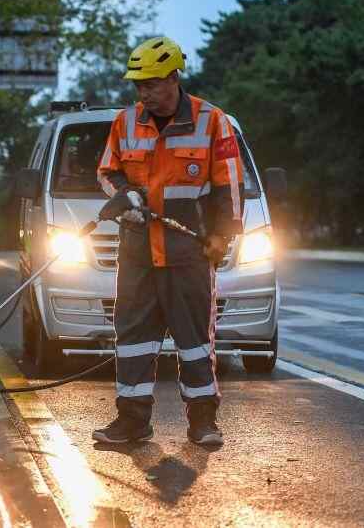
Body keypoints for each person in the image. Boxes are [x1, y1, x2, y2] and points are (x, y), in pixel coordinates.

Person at [93, 36, 244, 446]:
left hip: (188, 253)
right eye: (139, 85)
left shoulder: (212, 121)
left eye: (152, 84)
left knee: (194, 340)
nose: (144, 93)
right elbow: (107, 172)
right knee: (134, 339)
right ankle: (132, 421)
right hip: (138, 253)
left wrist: (222, 236)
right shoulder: (125, 123)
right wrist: (124, 194)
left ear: (174, 78)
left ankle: (203, 422)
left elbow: (229, 185)